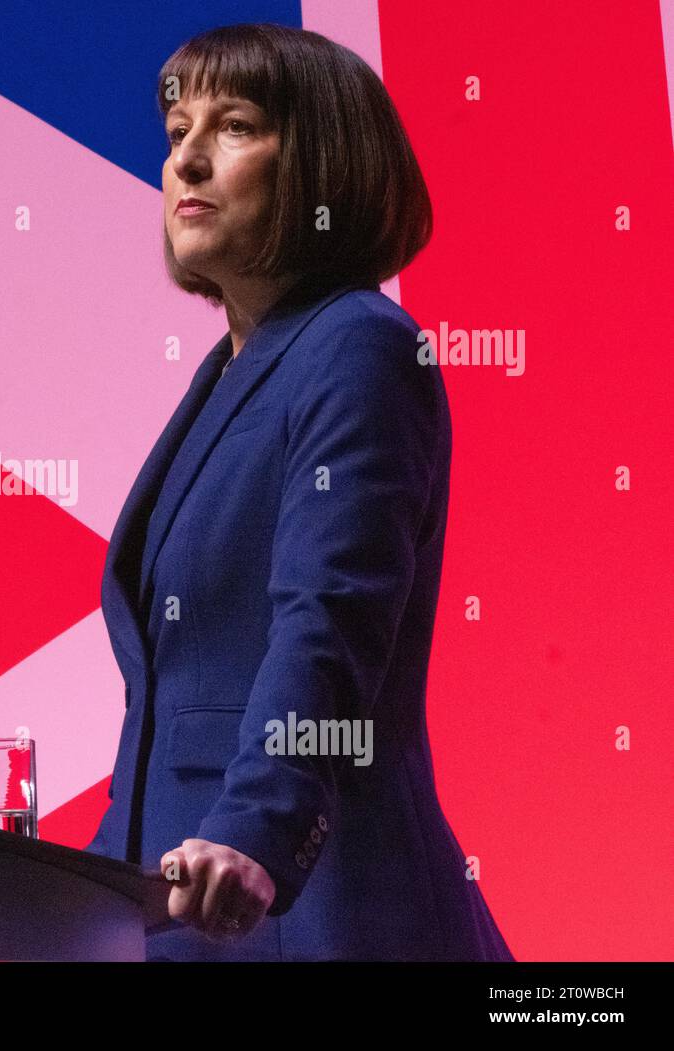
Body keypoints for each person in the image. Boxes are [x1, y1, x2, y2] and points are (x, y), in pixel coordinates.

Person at [85, 23, 513, 962]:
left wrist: (258, 827)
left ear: (323, 164)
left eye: (233, 126)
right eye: (175, 132)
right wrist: (78, 902)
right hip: (180, 913)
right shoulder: (226, 379)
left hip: (311, 906)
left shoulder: (358, 343)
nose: (187, 157)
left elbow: (330, 620)